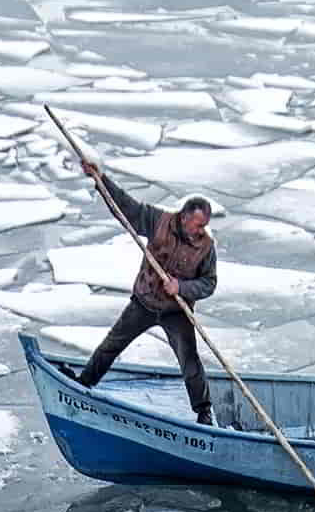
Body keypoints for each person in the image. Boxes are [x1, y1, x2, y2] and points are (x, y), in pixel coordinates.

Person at [71, 158, 219, 425]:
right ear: (184, 217)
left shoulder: (206, 247)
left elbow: (209, 283)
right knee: (111, 345)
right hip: (144, 302)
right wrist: (100, 179)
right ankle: (84, 383)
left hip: (176, 311)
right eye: (198, 224)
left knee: (190, 360)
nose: (201, 230)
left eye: (204, 225)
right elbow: (125, 207)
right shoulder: (157, 221)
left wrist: (182, 287)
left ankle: (203, 411)